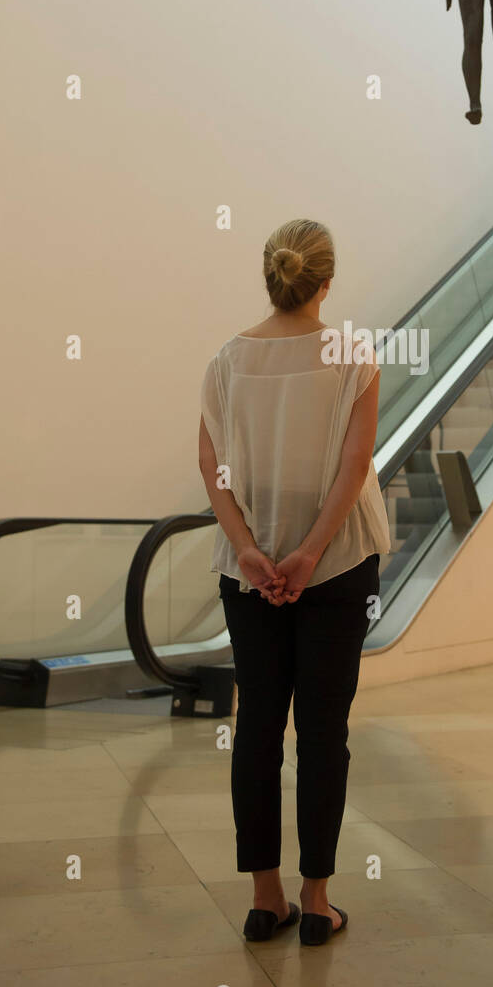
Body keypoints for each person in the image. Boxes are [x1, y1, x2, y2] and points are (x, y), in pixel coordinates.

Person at [198, 218, 391, 946]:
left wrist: (249, 548)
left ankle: (263, 898)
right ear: (326, 282)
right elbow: (356, 465)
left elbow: (211, 465)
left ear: (270, 276)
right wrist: (310, 553)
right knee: (322, 732)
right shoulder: (351, 353)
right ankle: (316, 901)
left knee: (256, 729)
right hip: (338, 566)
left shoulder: (227, 360)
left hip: (249, 574)